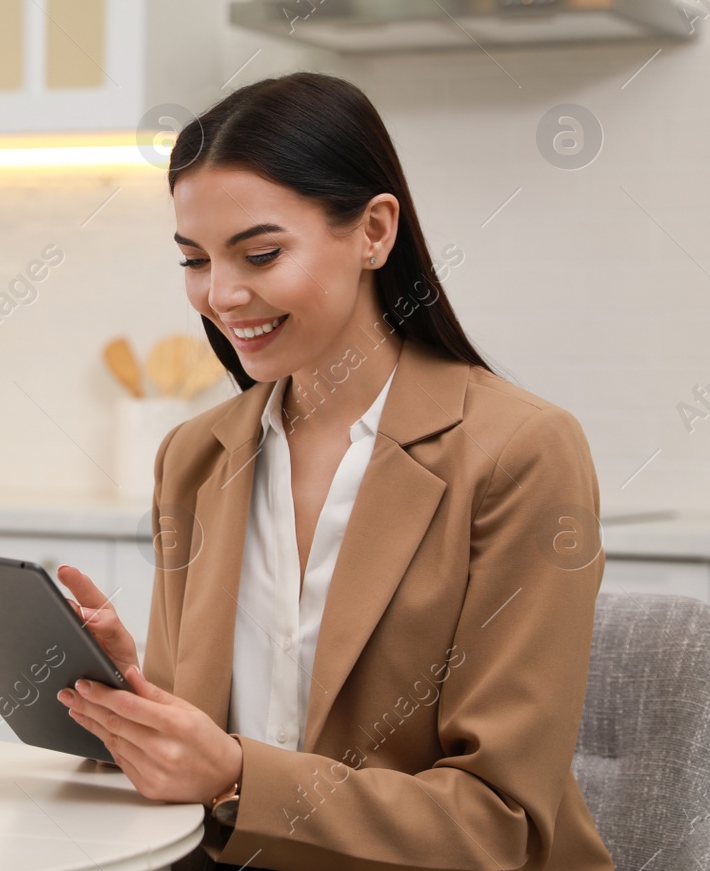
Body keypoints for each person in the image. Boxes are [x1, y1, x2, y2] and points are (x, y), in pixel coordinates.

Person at [54, 72, 613, 870]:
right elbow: (201, 770)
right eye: (193, 259)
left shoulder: (521, 451)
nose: (221, 293)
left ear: (375, 231)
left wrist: (238, 775)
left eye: (260, 252)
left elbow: (500, 823)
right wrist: (131, 696)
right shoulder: (195, 457)